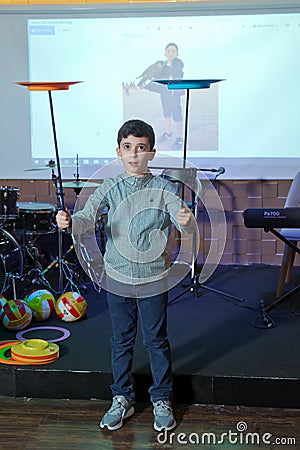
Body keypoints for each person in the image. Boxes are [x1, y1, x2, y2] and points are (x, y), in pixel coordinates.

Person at [56, 119, 197, 432]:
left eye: (141, 148)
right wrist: (69, 221)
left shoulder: (165, 187)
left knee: (156, 340)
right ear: (118, 152)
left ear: (152, 153)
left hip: (153, 277)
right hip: (117, 276)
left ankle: (161, 398)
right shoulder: (110, 187)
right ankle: (122, 398)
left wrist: (187, 220)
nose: (134, 154)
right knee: (121, 340)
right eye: (128, 148)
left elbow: (185, 225)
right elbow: (86, 218)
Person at [145, 43, 185, 150]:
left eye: (173, 51)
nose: (171, 53)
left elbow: (175, 72)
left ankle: (179, 137)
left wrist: (162, 68)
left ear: (177, 54)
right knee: (166, 113)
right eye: (168, 51)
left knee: (177, 115)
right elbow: (158, 78)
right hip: (164, 93)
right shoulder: (162, 64)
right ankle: (168, 132)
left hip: (174, 94)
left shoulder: (178, 63)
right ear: (165, 53)